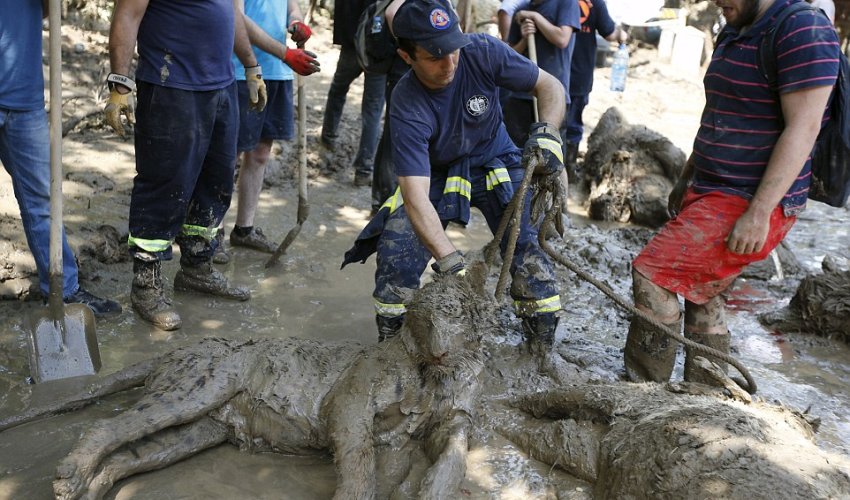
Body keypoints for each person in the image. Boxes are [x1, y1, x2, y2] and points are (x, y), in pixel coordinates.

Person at [624, 0, 839, 385]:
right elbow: (718, 112)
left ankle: (643, 388)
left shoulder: (803, 29)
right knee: (703, 294)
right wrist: (687, 175)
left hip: (750, 197)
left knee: (651, 276)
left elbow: (803, 129)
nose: (719, 2)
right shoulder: (734, 27)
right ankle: (705, 393)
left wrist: (759, 212)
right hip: (710, 187)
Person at [342, 0, 566, 355]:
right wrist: (450, 263)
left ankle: (540, 352)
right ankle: (391, 350)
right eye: (434, 56)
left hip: (496, 158)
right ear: (406, 57)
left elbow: (550, 86)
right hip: (437, 172)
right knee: (396, 253)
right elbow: (415, 195)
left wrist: (548, 134)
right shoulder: (406, 103)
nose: (449, 64)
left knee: (528, 249)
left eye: (452, 50)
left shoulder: (483, 50)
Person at [106, 0, 267, 331]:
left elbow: (231, 15)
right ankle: (146, 285)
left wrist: (251, 66)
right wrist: (120, 84)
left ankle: (197, 266)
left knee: (217, 180)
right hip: (171, 87)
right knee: (165, 183)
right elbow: (127, 13)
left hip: (221, 86)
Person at [0, 0, 121, 317]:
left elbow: (43, 7)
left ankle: (64, 291)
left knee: (42, 198)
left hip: (24, 100)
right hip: (21, 98)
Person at [214, 0, 321, 263]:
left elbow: (291, 8)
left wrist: (296, 23)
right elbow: (236, 18)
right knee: (228, 155)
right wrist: (285, 52)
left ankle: (244, 229)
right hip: (242, 70)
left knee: (261, 154)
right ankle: (210, 231)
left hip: (279, 72)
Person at [499, 0, 578, 217]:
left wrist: (536, 19)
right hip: (520, 95)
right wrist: (525, 38)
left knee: (554, 155)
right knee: (516, 157)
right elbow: (507, 55)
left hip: (553, 98)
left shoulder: (566, 4)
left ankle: (558, 213)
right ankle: (519, 212)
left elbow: (562, 39)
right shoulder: (520, 12)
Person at [321, 0, 387, 188]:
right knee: (372, 111)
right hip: (377, 49)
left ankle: (328, 138)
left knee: (338, 90)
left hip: (353, 43)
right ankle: (364, 171)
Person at [564, 0, 627, 182]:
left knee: (551, 120)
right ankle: (568, 170)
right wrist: (621, 34)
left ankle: (553, 166)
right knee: (573, 123)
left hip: (554, 69)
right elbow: (609, 33)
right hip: (580, 73)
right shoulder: (596, 2)